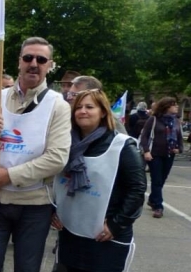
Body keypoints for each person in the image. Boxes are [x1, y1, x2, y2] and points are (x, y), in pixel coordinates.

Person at [0, 37, 71, 272]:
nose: (34, 63)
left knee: (27, 267)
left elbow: (57, 158)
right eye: (28, 58)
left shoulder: (58, 105)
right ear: (19, 62)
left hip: (35, 204)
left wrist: (10, 175)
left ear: (49, 65)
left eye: (41, 59)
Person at [52, 89, 146, 271]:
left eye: (89, 107)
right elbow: (51, 181)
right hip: (70, 235)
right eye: (78, 107)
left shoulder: (123, 146)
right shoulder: (64, 144)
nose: (82, 111)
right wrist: (52, 210)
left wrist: (116, 225)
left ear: (103, 111)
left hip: (105, 237)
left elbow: (136, 189)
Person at [139, 97, 183, 218]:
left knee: (162, 179)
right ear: (166, 107)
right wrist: (146, 151)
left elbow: (179, 136)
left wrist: (179, 148)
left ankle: (153, 198)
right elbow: (144, 136)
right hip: (155, 154)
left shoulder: (176, 121)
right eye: (174, 105)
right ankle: (158, 207)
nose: (177, 107)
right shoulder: (153, 119)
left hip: (170, 154)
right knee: (157, 180)